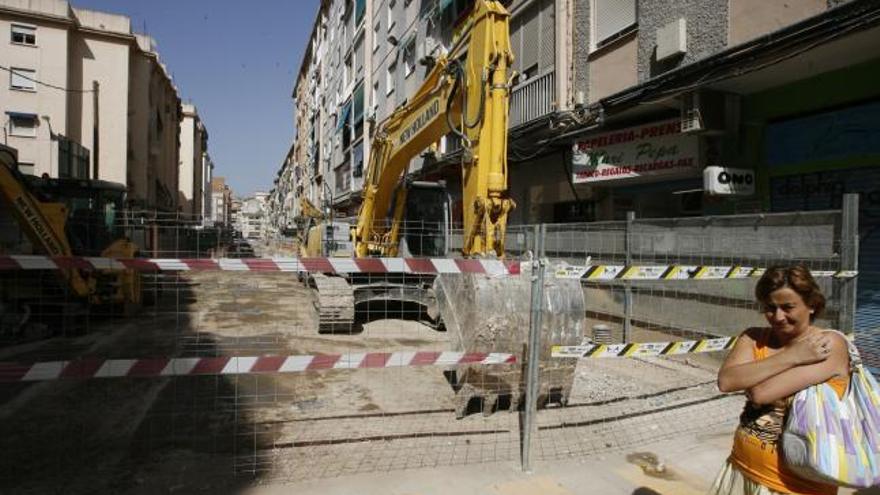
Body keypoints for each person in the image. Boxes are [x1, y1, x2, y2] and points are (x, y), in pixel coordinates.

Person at [709, 265, 850, 495]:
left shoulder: (828, 345)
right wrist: (794, 356)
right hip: (743, 470)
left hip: (797, 487)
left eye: (788, 307)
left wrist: (754, 372)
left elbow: (760, 393)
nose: (778, 317)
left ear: (812, 304)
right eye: (770, 308)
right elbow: (726, 381)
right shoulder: (754, 337)